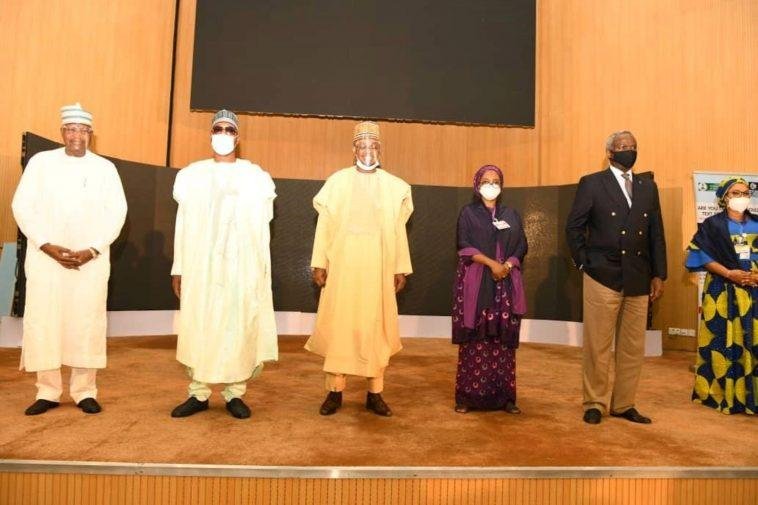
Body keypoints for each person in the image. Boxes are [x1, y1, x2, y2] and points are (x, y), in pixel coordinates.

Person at [11, 103, 127, 415]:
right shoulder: (41, 163)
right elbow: (22, 206)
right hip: (47, 259)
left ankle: (84, 390)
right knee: (45, 321)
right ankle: (47, 391)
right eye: (71, 129)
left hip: (89, 261)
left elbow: (117, 213)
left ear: (91, 134)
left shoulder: (105, 169)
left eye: (83, 130)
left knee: (85, 322)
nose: (77, 135)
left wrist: (92, 250)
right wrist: (46, 245)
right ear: (62, 132)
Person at [170, 110, 278, 420]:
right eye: (217, 128)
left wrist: (258, 270)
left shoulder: (255, 177)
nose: (223, 134)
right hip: (202, 266)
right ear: (210, 134)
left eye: (229, 129)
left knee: (237, 325)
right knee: (201, 324)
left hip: (241, 266)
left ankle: (235, 393)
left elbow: (262, 228)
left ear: (238, 137)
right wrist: (179, 266)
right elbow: (182, 223)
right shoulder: (192, 175)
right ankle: (199, 393)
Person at [306, 121, 413, 417]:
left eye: (373, 145)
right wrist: (319, 262)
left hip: (378, 270)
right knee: (341, 328)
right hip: (343, 268)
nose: (368, 150)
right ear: (353, 150)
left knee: (374, 330)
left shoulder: (394, 187)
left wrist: (400, 267)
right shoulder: (337, 182)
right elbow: (324, 227)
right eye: (362, 146)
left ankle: (375, 393)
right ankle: (334, 392)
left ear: (380, 149)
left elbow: (398, 231)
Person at [565, 130, 667, 425]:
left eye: (633, 146)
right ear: (609, 152)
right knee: (598, 344)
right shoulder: (592, 183)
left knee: (633, 346)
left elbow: (656, 233)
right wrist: (585, 263)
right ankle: (594, 402)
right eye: (623, 146)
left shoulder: (649, 187)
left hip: (638, 277)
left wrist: (659, 273)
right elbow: (574, 228)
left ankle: (624, 404)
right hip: (602, 274)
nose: (629, 150)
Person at [452, 165, 527, 414]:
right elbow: (463, 246)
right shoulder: (468, 213)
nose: (491, 184)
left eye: (496, 181)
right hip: (477, 283)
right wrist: (491, 264)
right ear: (477, 184)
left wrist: (507, 265)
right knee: (476, 338)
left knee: (502, 340)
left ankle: (505, 398)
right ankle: (468, 398)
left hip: (505, 284)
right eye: (486, 180)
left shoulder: (511, 214)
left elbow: (521, 246)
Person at [686, 177, 757, 415]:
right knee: (722, 342)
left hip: (755, 292)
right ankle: (721, 395)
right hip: (722, 293)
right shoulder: (712, 225)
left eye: (745, 192)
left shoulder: (757, 223)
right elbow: (701, 256)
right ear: (725, 197)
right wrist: (730, 273)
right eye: (735, 193)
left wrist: (754, 276)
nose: (741, 197)